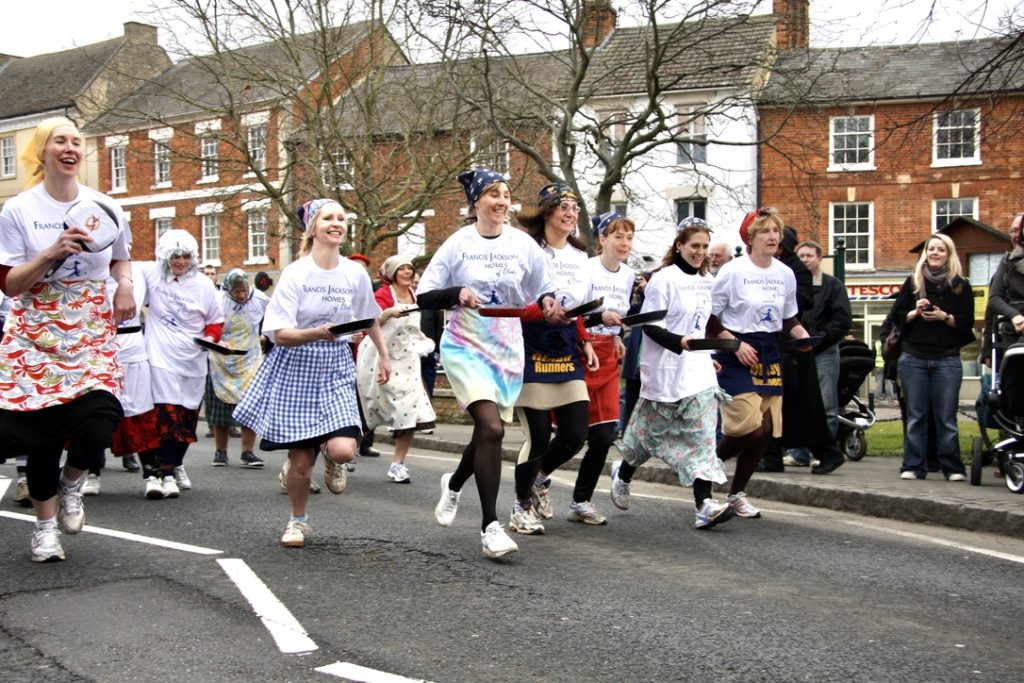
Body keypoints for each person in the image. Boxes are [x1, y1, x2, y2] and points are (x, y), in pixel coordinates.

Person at [0, 117, 134, 562]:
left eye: (77, 141)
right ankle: (44, 530)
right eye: (60, 141)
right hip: (36, 327)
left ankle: (73, 482)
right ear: (42, 151)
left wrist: (126, 286)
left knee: (101, 416)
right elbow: (11, 284)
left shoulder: (103, 205)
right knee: (41, 438)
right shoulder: (19, 209)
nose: (71, 148)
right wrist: (50, 252)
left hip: (89, 323)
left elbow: (120, 260)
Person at [417, 168, 560, 559]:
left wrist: (548, 302)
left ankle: (455, 483)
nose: (501, 201)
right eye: (492, 193)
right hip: (466, 344)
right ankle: (490, 526)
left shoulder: (522, 244)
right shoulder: (457, 244)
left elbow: (543, 288)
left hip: (507, 348)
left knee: (487, 432)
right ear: (476, 202)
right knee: (493, 427)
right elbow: (424, 294)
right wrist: (456, 291)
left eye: (506, 194)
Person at [234, 199, 390, 548]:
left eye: (342, 218)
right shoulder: (296, 273)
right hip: (297, 363)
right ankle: (297, 521)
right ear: (313, 228)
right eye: (328, 218)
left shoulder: (353, 272)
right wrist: (319, 332)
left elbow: (368, 316)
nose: (337, 223)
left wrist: (383, 355)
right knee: (301, 463)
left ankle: (331, 458)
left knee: (345, 450)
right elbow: (279, 334)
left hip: (335, 363)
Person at [609, 217, 735, 529]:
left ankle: (704, 505)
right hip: (665, 369)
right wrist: (679, 342)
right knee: (645, 439)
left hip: (699, 372)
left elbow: (702, 324)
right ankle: (623, 473)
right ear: (679, 245)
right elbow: (650, 326)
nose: (700, 252)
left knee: (704, 436)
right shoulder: (663, 280)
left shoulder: (708, 282)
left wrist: (708, 353)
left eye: (705, 247)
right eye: (695, 246)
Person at [707, 207, 811, 519]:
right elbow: (709, 317)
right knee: (749, 428)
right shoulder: (733, 271)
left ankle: (737, 493)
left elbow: (787, 316)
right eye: (765, 231)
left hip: (768, 352)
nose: (772, 237)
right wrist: (734, 344)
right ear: (750, 238)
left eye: (776, 231)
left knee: (764, 431)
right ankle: (706, 466)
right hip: (735, 350)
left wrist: (800, 333)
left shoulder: (785, 274)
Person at [508, 181, 598, 535]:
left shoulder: (580, 258)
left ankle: (540, 480)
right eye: (563, 207)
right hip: (530, 345)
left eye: (575, 209)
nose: (570, 214)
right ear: (547, 211)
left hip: (566, 348)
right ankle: (520, 507)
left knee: (576, 433)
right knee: (539, 435)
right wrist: (541, 311)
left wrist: (587, 339)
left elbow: (579, 310)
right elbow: (515, 298)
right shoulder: (527, 249)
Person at [540, 211, 634, 528]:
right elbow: (577, 313)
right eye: (617, 235)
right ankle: (538, 476)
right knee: (574, 436)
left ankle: (581, 501)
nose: (624, 242)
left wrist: (617, 336)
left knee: (604, 435)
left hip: (607, 355)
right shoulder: (586, 268)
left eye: (629, 236)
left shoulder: (629, 275)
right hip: (582, 349)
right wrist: (598, 321)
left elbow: (619, 318)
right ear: (602, 239)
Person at [135, 230, 224, 497]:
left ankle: (174, 464)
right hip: (159, 356)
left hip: (193, 360)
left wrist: (211, 338)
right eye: (175, 256)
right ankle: (165, 473)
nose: (180, 262)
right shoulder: (151, 275)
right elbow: (121, 265)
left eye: (185, 256)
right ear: (164, 256)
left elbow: (215, 320)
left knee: (185, 420)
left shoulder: (203, 285)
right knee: (165, 416)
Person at [890, 233, 974, 481]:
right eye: (931, 249)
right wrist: (915, 312)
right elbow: (896, 317)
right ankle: (914, 465)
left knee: (946, 417)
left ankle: (953, 467)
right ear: (925, 253)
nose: (935, 253)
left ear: (949, 254)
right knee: (916, 415)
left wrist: (944, 317)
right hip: (914, 357)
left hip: (946, 359)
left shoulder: (960, 285)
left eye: (940, 250)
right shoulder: (913, 283)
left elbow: (966, 323)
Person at [356, 254, 436, 484]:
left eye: (410, 269)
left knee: (409, 411)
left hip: (407, 361)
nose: (408, 273)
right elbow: (367, 323)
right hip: (378, 359)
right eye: (402, 269)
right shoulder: (381, 295)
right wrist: (386, 313)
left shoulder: (416, 295)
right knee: (371, 410)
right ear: (392, 273)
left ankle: (397, 465)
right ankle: (346, 454)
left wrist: (424, 343)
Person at [784, 240, 852, 471]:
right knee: (802, 403)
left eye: (809, 255)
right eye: (801, 255)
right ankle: (800, 453)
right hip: (797, 350)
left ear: (820, 258)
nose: (804, 259)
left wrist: (820, 339)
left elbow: (842, 319)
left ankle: (826, 452)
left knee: (826, 404)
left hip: (823, 351)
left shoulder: (833, 286)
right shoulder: (792, 284)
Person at [108, 262, 163, 497]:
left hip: (133, 347)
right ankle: (91, 471)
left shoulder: (140, 270)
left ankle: (152, 473)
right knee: (94, 411)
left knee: (140, 411)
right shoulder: (90, 268)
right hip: (99, 346)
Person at [208, 269, 270, 468]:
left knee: (249, 407)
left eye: (244, 290)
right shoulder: (218, 300)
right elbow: (209, 325)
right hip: (222, 359)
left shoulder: (260, 299)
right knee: (220, 411)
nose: (242, 295)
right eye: (237, 292)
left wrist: (267, 336)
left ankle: (248, 452)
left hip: (249, 359)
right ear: (228, 291)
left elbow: (275, 319)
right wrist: (216, 340)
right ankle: (220, 452)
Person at [985, 213, 1024, 346]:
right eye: (1013, 230)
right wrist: (1014, 315)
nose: (1017, 235)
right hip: (1014, 333)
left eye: (1021, 229)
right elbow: (994, 299)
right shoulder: (1007, 262)